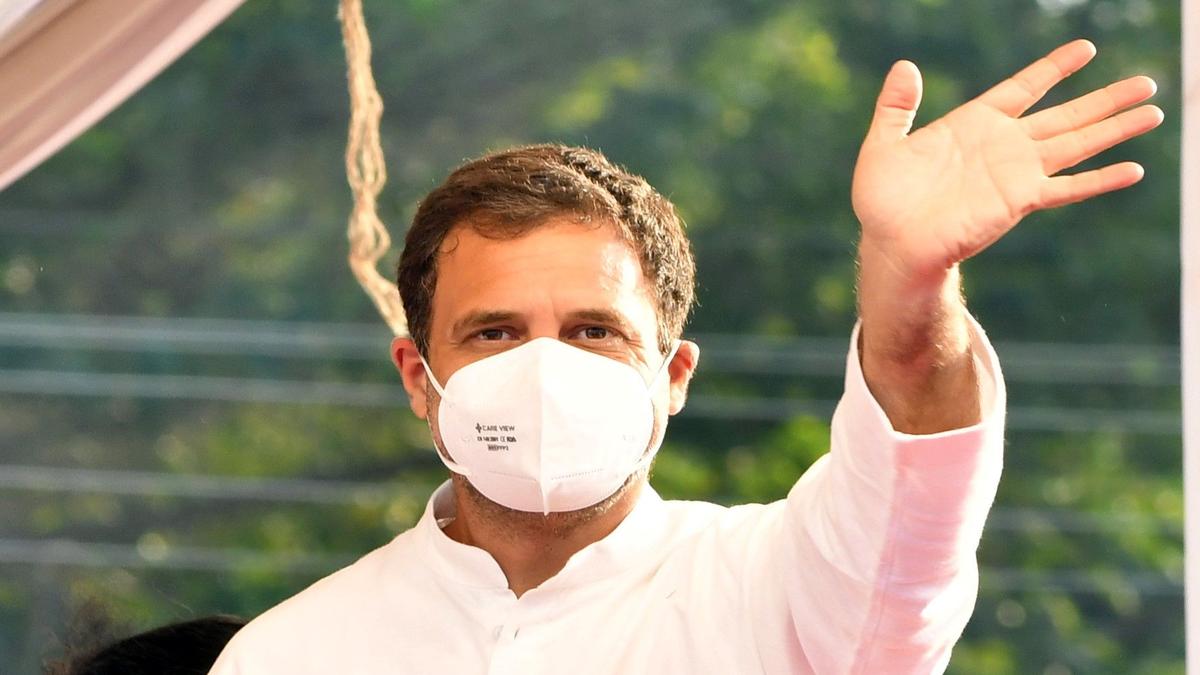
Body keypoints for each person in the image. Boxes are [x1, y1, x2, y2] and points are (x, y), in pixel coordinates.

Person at [209, 40, 1162, 673]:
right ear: (420, 378)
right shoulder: (291, 654)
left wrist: (909, 281)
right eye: (495, 332)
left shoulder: (783, 592)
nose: (545, 371)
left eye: (594, 331)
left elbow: (908, 503)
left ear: (672, 377)